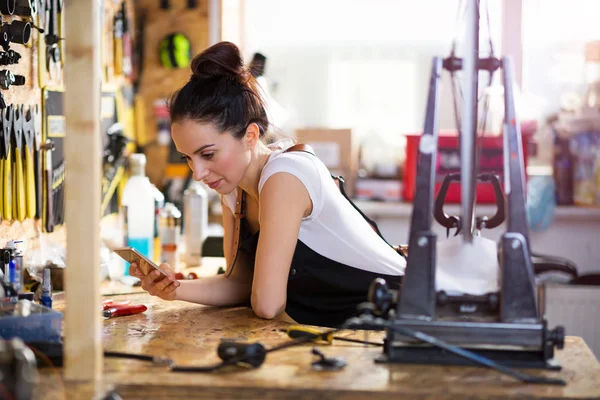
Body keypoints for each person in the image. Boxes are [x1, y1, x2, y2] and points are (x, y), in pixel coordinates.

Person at [129, 41, 406, 327]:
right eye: (188, 158)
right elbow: (240, 283)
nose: (198, 172)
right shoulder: (233, 189)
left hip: (399, 317)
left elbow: (267, 304)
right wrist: (173, 288)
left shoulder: (285, 176)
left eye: (208, 154)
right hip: (346, 329)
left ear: (250, 136)